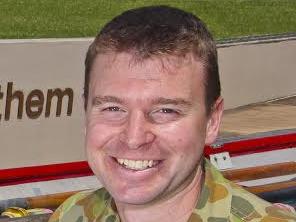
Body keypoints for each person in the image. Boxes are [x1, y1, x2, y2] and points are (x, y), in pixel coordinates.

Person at [49, 5, 296, 222]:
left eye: (165, 110)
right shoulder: (72, 214)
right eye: (113, 108)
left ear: (212, 121)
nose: (134, 138)